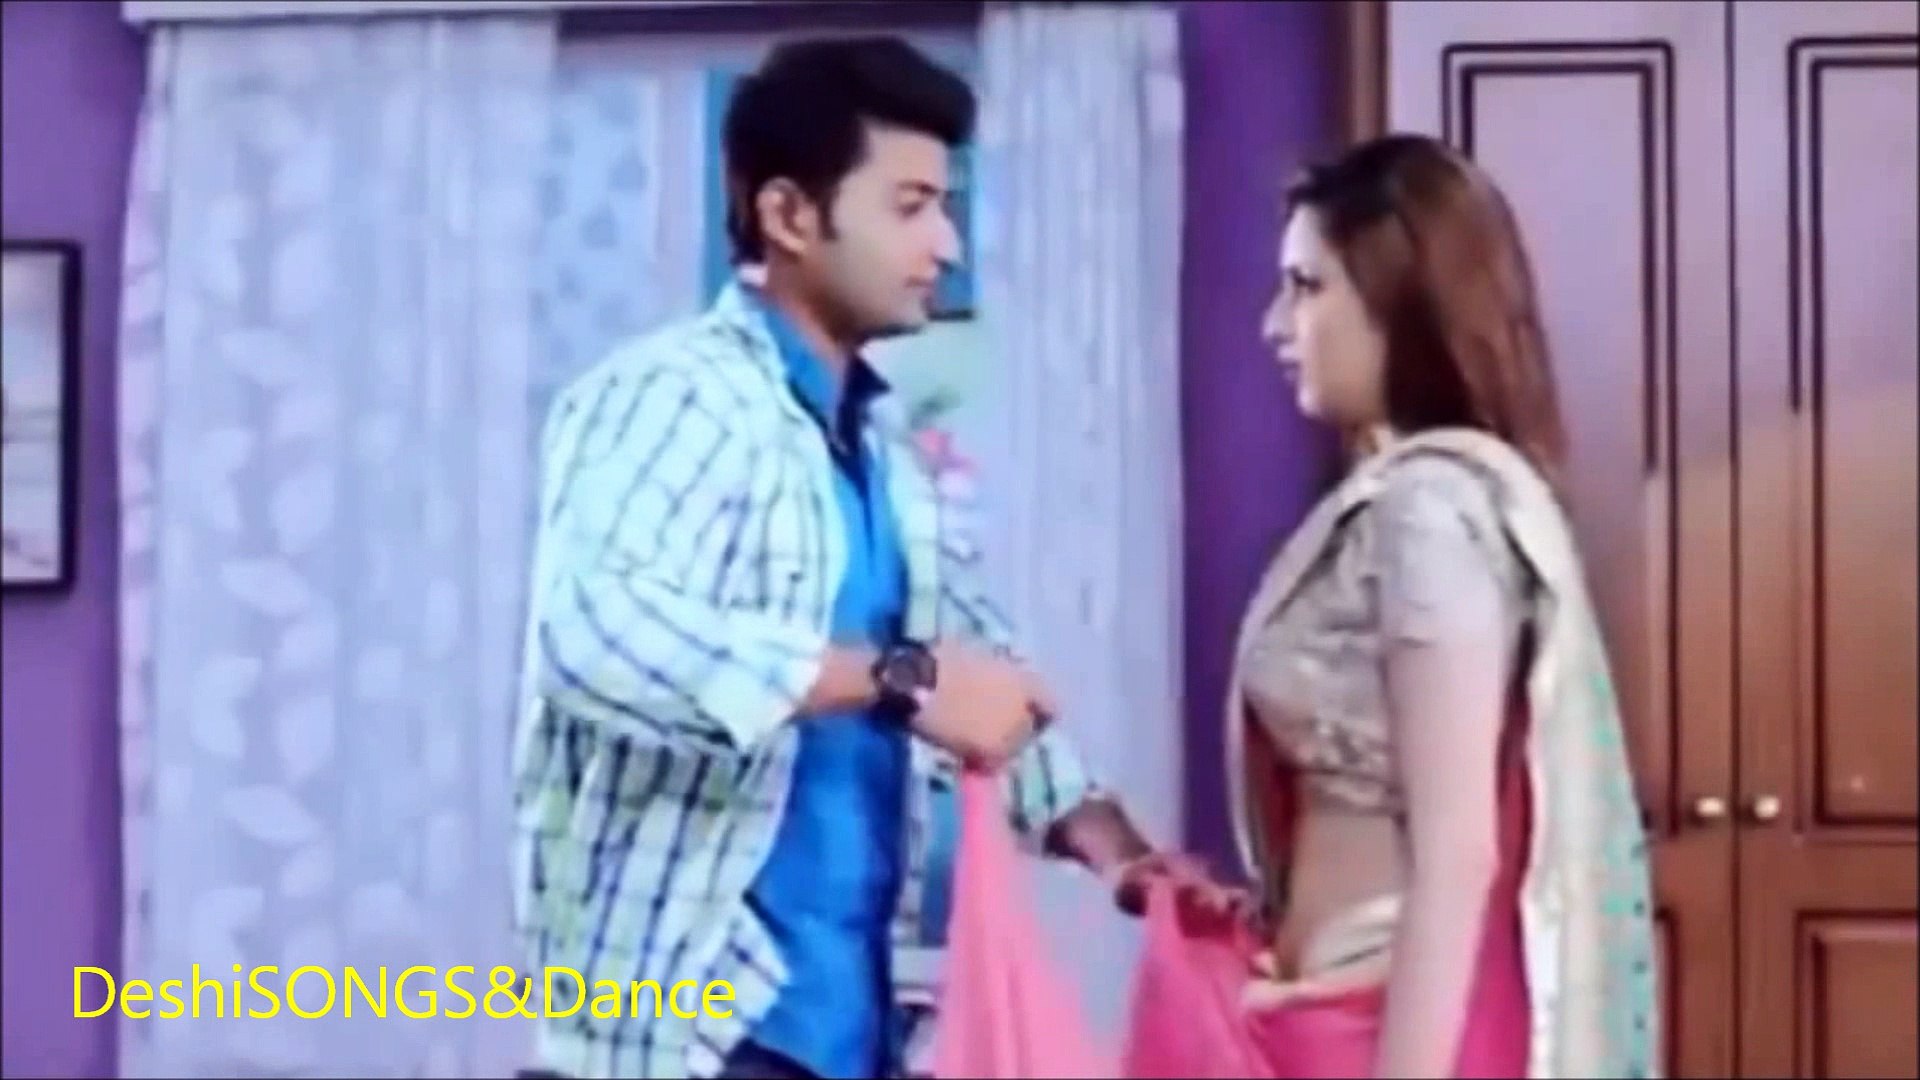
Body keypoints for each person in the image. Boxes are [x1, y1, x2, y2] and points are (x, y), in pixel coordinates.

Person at [509, 36, 1240, 1080]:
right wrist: (900, 680)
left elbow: (968, 664)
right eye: (911, 206)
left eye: (946, 205)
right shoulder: (673, 396)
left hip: (844, 1033)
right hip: (689, 1040)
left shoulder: (880, 447)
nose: (947, 243)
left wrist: (1120, 856)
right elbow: (595, 636)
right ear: (789, 214)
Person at [1220, 134, 1661, 1077]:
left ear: (1400, 298)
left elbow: (1457, 854)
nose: (1274, 325)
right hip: (1331, 998)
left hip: (1386, 1021)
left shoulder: (1430, 513)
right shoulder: (1403, 499)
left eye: (1306, 287)